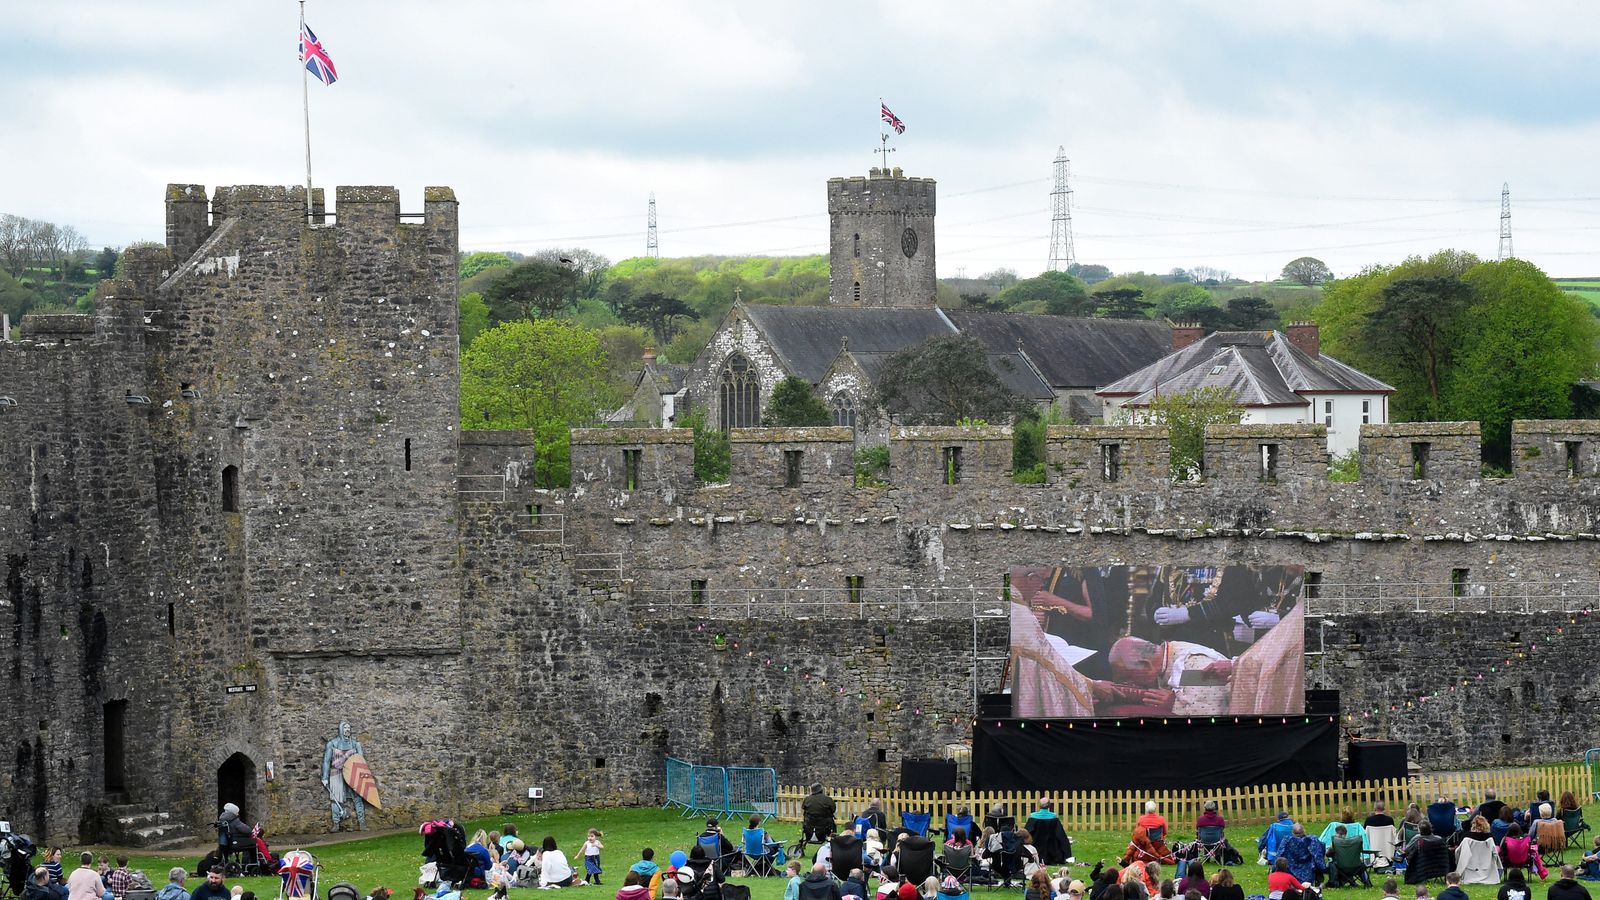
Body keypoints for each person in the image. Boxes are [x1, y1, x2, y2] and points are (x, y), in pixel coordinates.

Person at [321, 721, 370, 832]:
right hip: (337, 773)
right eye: (345, 728)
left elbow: (361, 761)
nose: (347, 730)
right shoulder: (332, 744)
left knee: (358, 798)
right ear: (341, 729)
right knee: (336, 799)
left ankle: (362, 823)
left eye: (349, 728)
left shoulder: (355, 744)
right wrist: (324, 777)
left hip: (352, 773)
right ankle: (336, 824)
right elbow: (326, 761)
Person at [1028, 800, 1073, 866]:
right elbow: (1061, 836)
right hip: (1052, 853)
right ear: (1049, 806)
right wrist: (1067, 854)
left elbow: (1027, 833)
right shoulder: (1053, 817)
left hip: (1036, 850)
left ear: (1039, 805)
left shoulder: (1033, 817)